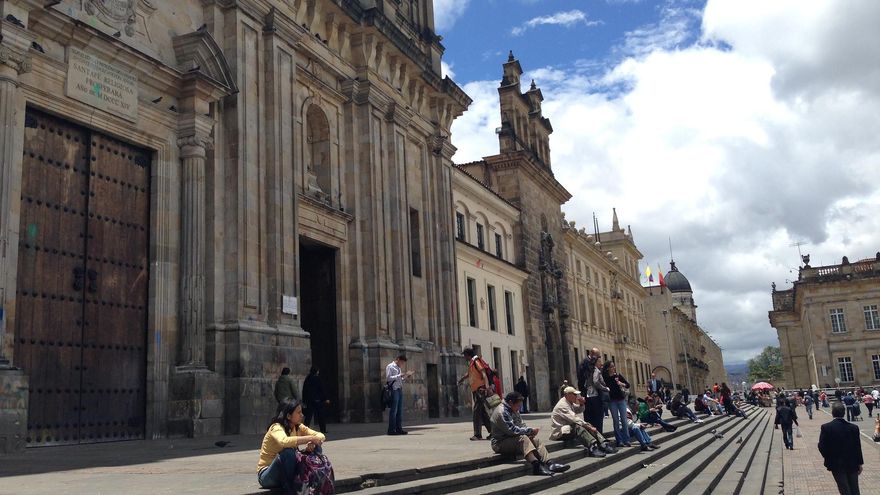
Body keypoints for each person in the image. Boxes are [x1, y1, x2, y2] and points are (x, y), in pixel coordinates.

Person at [257, 399, 329, 494]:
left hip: (287, 473)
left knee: (316, 446)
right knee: (288, 452)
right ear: (288, 415)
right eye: (298, 412)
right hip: (267, 476)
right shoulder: (276, 427)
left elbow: (321, 436)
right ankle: (291, 490)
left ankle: (311, 478)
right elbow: (284, 441)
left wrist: (312, 442)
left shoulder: (298, 426)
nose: (302, 415)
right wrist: (310, 438)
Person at [489, 392, 570, 476]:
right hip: (500, 443)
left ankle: (549, 463)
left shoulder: (513, 409)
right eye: (518, 406)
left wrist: (530, 433)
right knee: (523, 439)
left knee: (536, 440)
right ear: (510, 402)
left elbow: (521, 424)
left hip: (512, 438)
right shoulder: (501, 412)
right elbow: (512, 430)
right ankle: (536, 465)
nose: (518, 408)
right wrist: (529, 431)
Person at [549, 386, 617, 457]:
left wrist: (581, 404)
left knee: (587, 425)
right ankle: (592, 447)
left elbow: (578, 410)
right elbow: (575, 419)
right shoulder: (562, 405)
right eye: (574, 394)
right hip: (559, 433)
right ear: (568, 395)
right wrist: (589, 427)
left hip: (567, 429)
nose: (577, 396)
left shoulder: (569, 402)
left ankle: (603, 443)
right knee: (578, 427)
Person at [818, 403, 864, 495]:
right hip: (852, 462)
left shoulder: (826, 427)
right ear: (844, 413)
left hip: (836, 463)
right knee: (854, 488)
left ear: (832, 413)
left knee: (844, 488)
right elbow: (857, 446)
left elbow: (822, 446)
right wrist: (860, 462)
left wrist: (828, 457)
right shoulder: (854, 428)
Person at [457, 347, 493, 441]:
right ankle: (493, 432)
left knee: (477, 411)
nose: (464, 357)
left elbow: (483, 373)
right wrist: (462, 379)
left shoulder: (476, 361)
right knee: (482, 412)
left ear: (468, 354)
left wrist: (487, 387)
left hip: (480, 389)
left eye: (464, 355)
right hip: (476, 390)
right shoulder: (472, 363)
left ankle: (477, 434)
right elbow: (469, 374)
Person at [578, 349, 608, 435]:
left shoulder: (594, 365)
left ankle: (598, 437)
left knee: (595, 417)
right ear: (592, 354)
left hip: (593, 395)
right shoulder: (585, 363)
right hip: (590, 395)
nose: (599, 359)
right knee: (592, 417)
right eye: (598, 356)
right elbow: (581, 379)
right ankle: (596, 438)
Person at [602, 361, 632, 447]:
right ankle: (619, 440)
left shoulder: (617, 376)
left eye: (614, 366)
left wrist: (621, 383)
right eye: (611, 367)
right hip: (612, 401)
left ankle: (626, 439)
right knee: (615, 421)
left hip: (621, 399)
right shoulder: (605, 377)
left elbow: (628, 385)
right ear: (608, 368)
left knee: (624, 420)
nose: (613, 368)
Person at [386, 354, 414, 435]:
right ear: (397, 359)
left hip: (399, 389)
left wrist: (405, 377)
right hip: (394, 389)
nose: (402, 364)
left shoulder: (398, 368)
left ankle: (399, 429)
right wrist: (399, 375)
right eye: (401, 362)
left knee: (399, 411)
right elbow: (388, 378)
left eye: (403, 363)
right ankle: (391, 430)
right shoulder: (390, 366)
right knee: (393, 410)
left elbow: (399, 379)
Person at [302, 366, 329, 433]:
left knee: (308, 416)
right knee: (321, 415)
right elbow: (321, 389)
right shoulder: (317, 379)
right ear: (316, 371)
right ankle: (323, 429)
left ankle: (304, 430)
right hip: (318, 400)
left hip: (309, 400)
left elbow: (304, 390)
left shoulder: (307, 378)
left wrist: (304, 400)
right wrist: (325, 398)